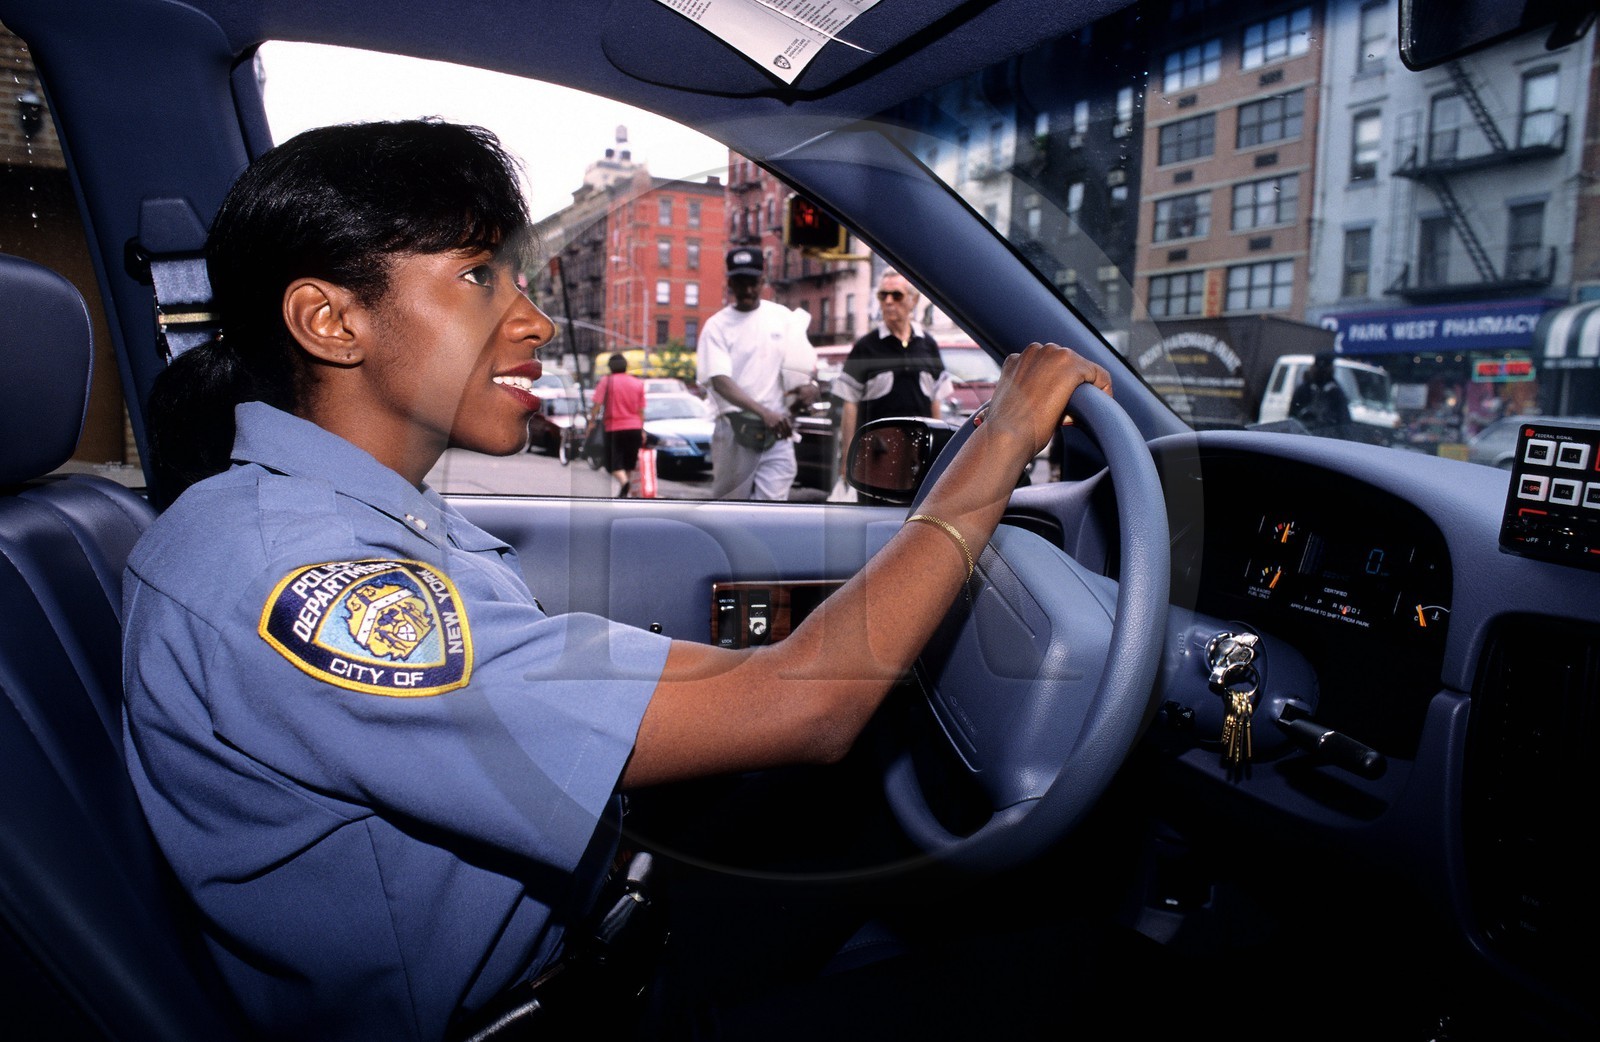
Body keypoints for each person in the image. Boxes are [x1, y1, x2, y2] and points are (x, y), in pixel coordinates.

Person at [123, 119, 1112, 1041]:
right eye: (478, 278)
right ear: (330, 321)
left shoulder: (335, 519)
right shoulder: (301, 578)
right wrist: (1004, 436)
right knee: (1071, 972)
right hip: (555, 1005)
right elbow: (803, 708)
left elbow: (729, 684)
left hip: (608, 915)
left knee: (884, 779)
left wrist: (796, 667)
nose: (535, 322)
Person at [695, 248, 819, 500]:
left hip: (777, 430)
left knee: (773, 507)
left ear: (763, 281)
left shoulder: (782, 318)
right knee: (730, 506)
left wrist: (811, 387)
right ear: (729, 283)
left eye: (753, 283)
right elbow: (719, 381)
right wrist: (764, 413)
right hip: (735, 429)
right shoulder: (716, 326)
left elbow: (800, 367)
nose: (748, 291)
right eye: (740, 283)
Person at [832, 269, 948, 484]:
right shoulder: (866, 347)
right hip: (876, 455)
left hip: (917, 455)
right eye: (882, 295)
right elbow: (850, 405)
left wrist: (937, 454)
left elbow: (936, 400)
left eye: (896, 295)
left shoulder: (927, 345)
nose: (888, 301)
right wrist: (848, 458)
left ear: (913, 301)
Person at [592, 351, 647, 496]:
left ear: (610, 367)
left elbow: (597, 405)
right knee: (629, 463)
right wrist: (642, 430)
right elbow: (641, 411)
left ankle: (624, 483)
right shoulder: (637, 383)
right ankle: (624, 493)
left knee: (611, 463)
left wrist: (591, 422)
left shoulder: (606, 381)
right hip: (634, 428)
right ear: (626, 366)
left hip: (613, 428)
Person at [1288, 351, 1352, 435]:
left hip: (1326, 440)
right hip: (1303, 437)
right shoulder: (1304, 390)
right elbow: (1292, 418)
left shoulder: (1335, 392)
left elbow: (1344, 423)